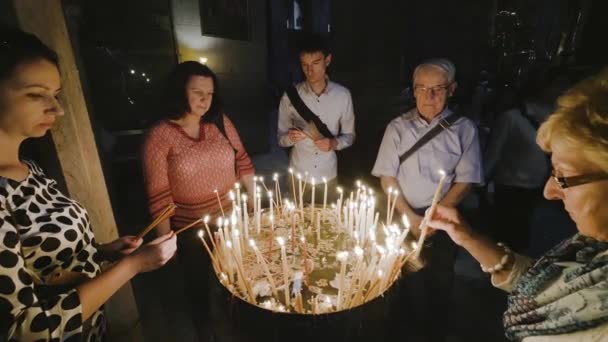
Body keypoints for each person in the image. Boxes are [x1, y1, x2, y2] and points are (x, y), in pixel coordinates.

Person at [0, 27, 176, 341]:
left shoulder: (29, 169)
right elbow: (21, 331)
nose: (58, 109)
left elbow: (45, 262)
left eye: (55, 95)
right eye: (36, 94)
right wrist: (132, 266)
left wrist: (105, 252)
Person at [427, 69, 608, 341]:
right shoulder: (591, 251)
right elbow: (541, 283)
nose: (549, 191)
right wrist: (468, 237)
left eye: (564, 176)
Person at [142, 61, 255, 340]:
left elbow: (243, 162)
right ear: (180, 91)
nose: (206, 100)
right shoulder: (160, 136)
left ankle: (239, 329)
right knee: (200, 291)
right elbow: (159, 196)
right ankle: (207, 332)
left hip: (232, 222)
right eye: (197, 92)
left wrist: (254, 207)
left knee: (237, 282)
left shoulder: (220, 123)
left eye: (210, 94)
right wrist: (166, 244)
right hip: (191, 231)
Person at [372, 58, 482, 341]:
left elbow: (466, 180)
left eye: (438, 89)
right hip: (402, 214)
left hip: (444, 219)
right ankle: (397, 328)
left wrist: (438, 212)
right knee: (398, 275)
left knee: (439, 278)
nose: (429, 97)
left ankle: (434, 331)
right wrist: (409, 216)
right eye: (421, 89)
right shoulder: (397, 128)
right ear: (413, 90)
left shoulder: (464, 129)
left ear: (452, 89)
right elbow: (387, 176)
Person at [484, 69, 572, 253]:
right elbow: (493, 154)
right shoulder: (511, 118)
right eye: (557, 86)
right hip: (511, 189)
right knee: (507, 238)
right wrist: (482, 184)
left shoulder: (558, 118)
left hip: (539, 189)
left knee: (527, 237)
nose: (562, 90)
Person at [277, 33, 355, 187]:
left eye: (315, 63)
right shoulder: (290, 96)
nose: (309, 71)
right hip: (298, 174)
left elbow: (350, 136)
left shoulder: (343, 95)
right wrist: (291, 138)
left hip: (328, 174)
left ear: (327, 60)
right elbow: (280, 138)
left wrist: (333, 143)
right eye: (304, 64)